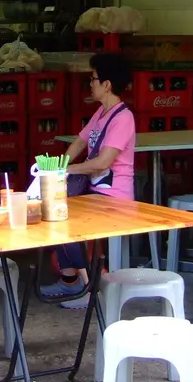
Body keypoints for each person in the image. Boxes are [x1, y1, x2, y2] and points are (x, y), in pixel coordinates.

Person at [40, 52, 136, 306]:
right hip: (95, 193)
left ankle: (89, 288)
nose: (90, 84)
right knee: (53, 210)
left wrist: (67, 171)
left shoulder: (123, 118)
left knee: (66, 218)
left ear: (107, 84)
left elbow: (103, 162)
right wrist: (58, 166)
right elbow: (80, 142)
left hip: (114, 198)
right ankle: (70, 280)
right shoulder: (101, 113)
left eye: (93, 79)